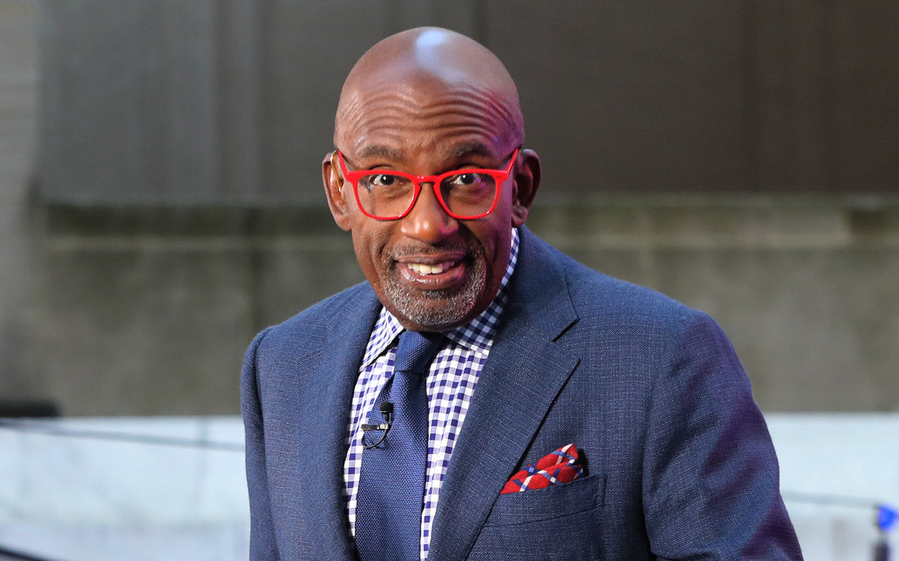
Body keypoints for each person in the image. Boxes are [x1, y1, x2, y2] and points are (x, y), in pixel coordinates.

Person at [242, 26, 803, 561]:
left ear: (521, 187)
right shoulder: (283, 366)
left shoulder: (661, 358)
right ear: (339, 191)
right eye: (385, 180)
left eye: (465, 179)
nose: (426, 225)